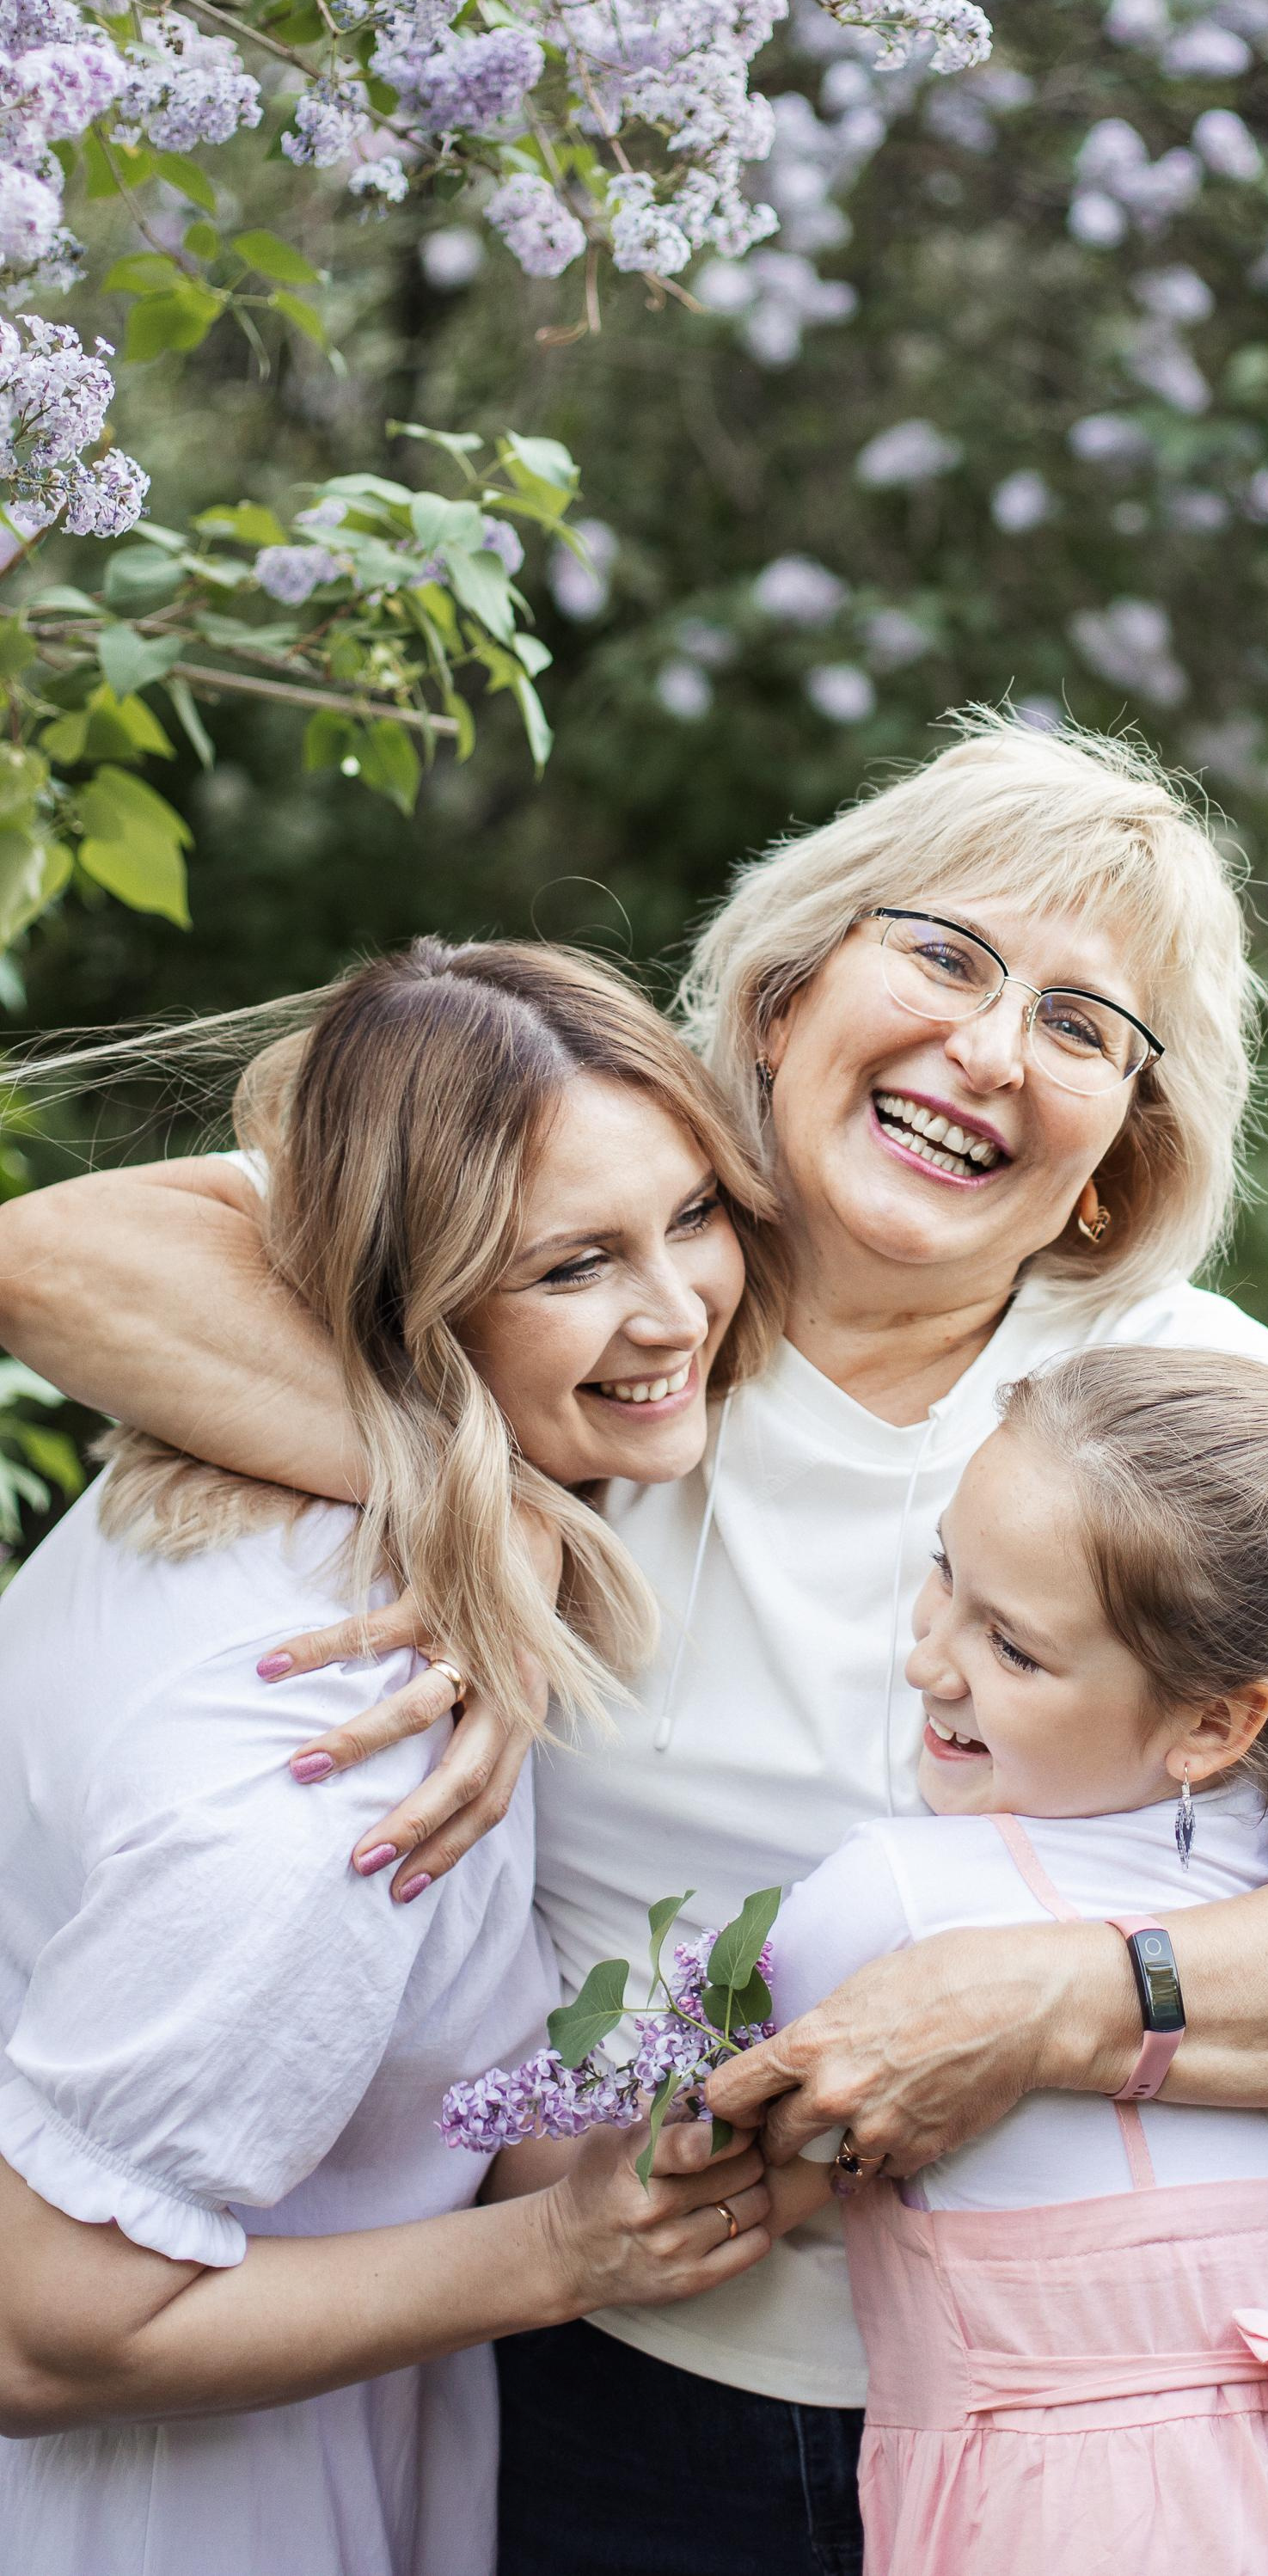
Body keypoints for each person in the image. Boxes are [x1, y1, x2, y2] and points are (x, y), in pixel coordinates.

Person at [0, 717, 1268, 2576]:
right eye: (942, 952)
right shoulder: (604, 1303)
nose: (993, 1047)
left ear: (1115, 1152)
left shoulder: (1182, 1405)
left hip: (1089, 2400)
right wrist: (484, 1505)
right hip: (608, 2373)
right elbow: (58, 1257)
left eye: (1085, 1026)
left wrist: (1059, 1996)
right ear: (777, 1002)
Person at [0, 941, 792, 2576]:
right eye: (573, 1265)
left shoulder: (266, 1478)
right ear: (395, 1292)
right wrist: (567, 2251)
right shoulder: (349, 1767)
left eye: (695, 1216)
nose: (676, 1312)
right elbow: (40, 2334)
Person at [726, 1345, 1268, 2574]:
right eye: (945, 1573)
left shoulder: (891, 1902)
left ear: (1214, 1722)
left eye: (1013, 1649)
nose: (929, 1659)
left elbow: (734, 2165)